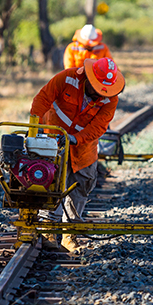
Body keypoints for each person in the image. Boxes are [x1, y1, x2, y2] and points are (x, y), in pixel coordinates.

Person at [31, 57, 124, 251]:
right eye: (98, 88)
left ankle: (69, 234)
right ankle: (49, 230)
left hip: (84, 148)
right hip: (53, 142)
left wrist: (75, 139)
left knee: (80, 187)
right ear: (88, 79)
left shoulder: (110, 98)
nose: (101, 93)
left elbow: (99, 126)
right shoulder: (66, 78)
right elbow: (42, 99)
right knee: (53, 183)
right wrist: (35, 129)